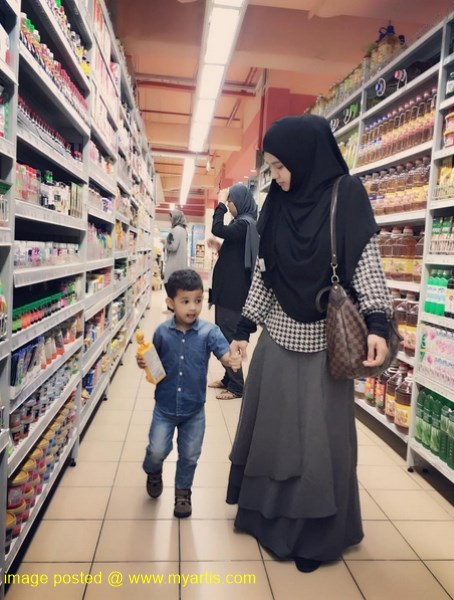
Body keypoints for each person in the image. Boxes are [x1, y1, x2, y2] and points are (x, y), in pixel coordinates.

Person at [226, 114, 392, 572]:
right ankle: (266, 519)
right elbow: (266, 274)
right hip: (278, 341)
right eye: (271, 167)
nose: (277, 176)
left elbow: (366, 265)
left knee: (320, 444)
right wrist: (243, 331)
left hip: (326, 346)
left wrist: (377, 324)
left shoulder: (347, 195)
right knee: (274, 436)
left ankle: (314, 536)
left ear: (305, 157)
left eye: (281, 166)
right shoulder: (278, 202)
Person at [137, 269, 241, 518]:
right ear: (170, 303)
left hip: (194, 409)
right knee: (157, 450)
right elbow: (154, 362)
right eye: (185, 301)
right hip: (164, 407)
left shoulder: (209, 332)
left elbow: (224, 354)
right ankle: (153, 469)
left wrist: (232, 360)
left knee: (190, 455)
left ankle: (183, 493)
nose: (193, 307)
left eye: (197, 300)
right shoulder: (162, 332)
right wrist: (144, 361)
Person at [208, 184, 259, 400]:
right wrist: (219, 248)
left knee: (228, 336)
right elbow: (235, 256)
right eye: (227, 202)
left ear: (239, 201)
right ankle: (228, 378)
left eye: (230, 201)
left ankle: (237, 386)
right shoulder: (241, 224)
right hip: (227, 291)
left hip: (233, 294)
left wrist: (219, 203)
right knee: (222, 334)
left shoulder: (245, 225)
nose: (228, 205)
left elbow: (217, 228)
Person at [163, 209, 188, 283]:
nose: (169, 219)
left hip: (173, 266)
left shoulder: (176, 230)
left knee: (171, 285)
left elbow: (173, 246)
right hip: (180, 266)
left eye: (171, 217)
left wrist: (165, 243)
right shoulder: (183, 230)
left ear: (176, 218)